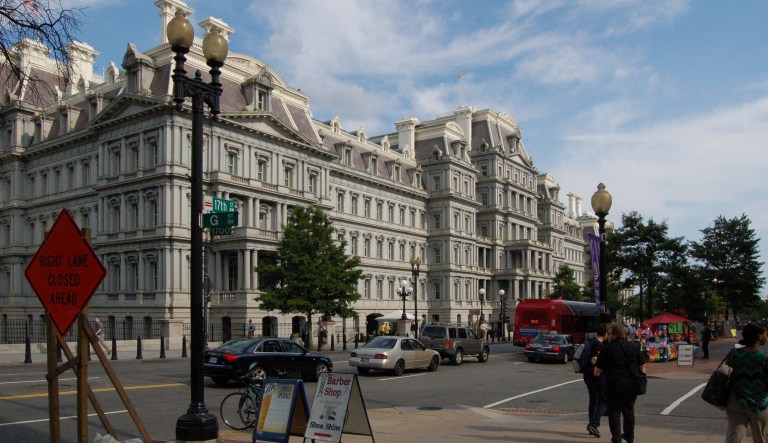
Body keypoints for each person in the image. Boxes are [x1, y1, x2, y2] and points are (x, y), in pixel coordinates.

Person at [595, 323, 647, 443]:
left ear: (614, 335)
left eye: (609, 334)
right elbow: (642, 365)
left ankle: (616, 438)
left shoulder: (607, 348)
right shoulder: (633, 346)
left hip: (613, 384)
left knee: (614, 412)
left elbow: (597, 371)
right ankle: (629, 436)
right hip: (631, 384)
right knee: (629, 411)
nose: (607, 336)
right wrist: (641, 375)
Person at [725, 322, 768, 443]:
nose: (767, 336)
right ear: (760, 337)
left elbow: (727, 373)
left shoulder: (734, 353)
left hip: (735, 400)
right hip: (758, 403)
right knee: (761, 437)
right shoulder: (763, 357)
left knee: (734, 437)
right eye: (766, 334)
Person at [584, 324, 608, 438]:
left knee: (593, 400)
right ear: (605, 333)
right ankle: (594, 424)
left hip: (587, 375)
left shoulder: (590, 341)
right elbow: (594, 360)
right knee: (603, 400)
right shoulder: (598, 345)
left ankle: (591, 424)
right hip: (595, 375)